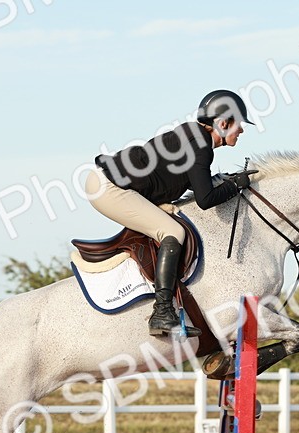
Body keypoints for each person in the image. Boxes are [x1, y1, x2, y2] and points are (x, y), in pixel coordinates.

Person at [86, 89, 251, 337]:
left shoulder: (194, 138)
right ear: (223, 123)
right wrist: (237, 184)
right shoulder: (200, 146)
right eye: (239, 124)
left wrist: (224, 180)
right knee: (172, 231)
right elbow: (205, 200)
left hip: (109, 182)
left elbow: (197, 183)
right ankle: (162, 312)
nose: (242, 130)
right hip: (110, 188)